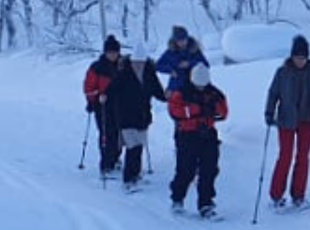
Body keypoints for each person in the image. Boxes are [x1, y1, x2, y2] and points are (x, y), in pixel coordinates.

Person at [263, 34, 310, 209]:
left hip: (308, 119)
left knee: (303, 157)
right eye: (297, 57)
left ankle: (298, 196)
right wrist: (269, 113)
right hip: (286, 120)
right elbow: (273, 93)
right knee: (285, 156)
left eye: (303, 57)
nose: (300, 61)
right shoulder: (282, 73)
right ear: (291, 56)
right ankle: (276, 196)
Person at [103, 44, 168, 191]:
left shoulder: (149, 74)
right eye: (135, 62)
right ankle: (128, 179)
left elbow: (158, 91)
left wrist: (167, 97)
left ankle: (136, 174)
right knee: (132, 147)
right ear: (131, 62)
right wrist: (104, 96)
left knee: (139, 147)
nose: (138, 65)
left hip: (142, 117)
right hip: (125, 116)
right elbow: (112, 89)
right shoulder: (123, 73)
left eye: (141, 63)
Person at [167, 61, 229, 217]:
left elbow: (224, 113)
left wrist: (214, 109)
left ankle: (206, 203)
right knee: (186, 169)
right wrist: (195, 110)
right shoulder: (182, 92)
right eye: (198, 85)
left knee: (209, 169)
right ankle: (177, 198)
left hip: (208, 134)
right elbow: (174, 111)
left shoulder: (214, 93)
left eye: (203, 85)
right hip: (187, 135)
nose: (201, 88)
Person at [82, 36, 126, 175]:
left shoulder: (124, 65)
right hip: (102, 106)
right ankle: (106, 163)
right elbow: (89, 86)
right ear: (105, 52)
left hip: (120, 105)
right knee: (107, 134)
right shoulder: (97, 67)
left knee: (120, 133)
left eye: (115, 52)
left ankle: (116, 157)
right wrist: (93, 99)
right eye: (110, 52)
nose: (112, 55)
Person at [155, 26, 208, 93]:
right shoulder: (170, 52)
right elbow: (158, 65)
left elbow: (205, 64)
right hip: (176, 86)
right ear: (175, 41)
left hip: (194, 86)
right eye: (179, 40)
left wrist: (190, 63)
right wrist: (170, 70)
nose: (182, 42)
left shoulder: (194, 50)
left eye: (184, 39)